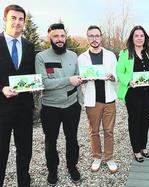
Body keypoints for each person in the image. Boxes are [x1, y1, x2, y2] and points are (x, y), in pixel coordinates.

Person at [35, 23, 83, 185]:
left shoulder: (73, 56)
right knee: (51, 141)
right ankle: (52, 171)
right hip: (50, 108)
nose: (60, 39)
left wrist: (80, 101)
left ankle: (72, 167)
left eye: (62, 36)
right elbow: (44, 83)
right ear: (50, 38)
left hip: (72, 106)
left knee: (72, 139)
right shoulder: (41, 57)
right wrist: (68, 80)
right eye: (56, 36)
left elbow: (78, 78)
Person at [0, 5, 35, 187]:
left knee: (25, 151)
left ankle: (24, 183)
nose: (17, 22)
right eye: (13, 18)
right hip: (2, 110)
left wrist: (36, 86)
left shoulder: (29, 46)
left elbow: (31, 74)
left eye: (21, 19)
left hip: (24, 109)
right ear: (5, 19)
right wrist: (1, 88)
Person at [78, 25, 118, 173]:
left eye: (97, 35)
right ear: (87, 38)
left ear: (101, 37)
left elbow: (116, 74)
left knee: (109, 131)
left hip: (109, 99)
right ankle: (97, 157)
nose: (94, 39)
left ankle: (109, 158)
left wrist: (113, 76)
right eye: (91, 36)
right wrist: (85, 79)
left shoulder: (110, 55)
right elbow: (81, 78)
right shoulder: (82, 58)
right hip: (92, 100)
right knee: (93, 131)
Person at [117, 25, 149, 162]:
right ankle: (136, 149)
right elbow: (119, 72)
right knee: (135, 121)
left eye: (142, 35)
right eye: (136, 35)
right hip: (132, 93)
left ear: (145, 38)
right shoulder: (124, 53)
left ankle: (143, 146)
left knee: (145, 120)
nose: (139, 38)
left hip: (148, 93)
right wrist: (128, 82)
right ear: (132, 38)